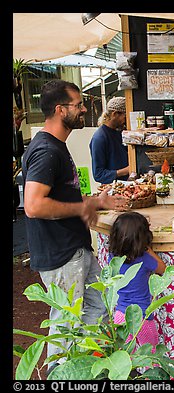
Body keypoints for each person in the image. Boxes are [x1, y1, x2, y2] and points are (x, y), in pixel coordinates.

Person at [21, 79, 129, 373]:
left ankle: (86, 370)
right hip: (61, 254)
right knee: (66, 325)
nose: (84, 109)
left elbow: (61, 192)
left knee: (100, 307)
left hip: (74, 250)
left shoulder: (54, 146)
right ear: (60, 110)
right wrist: (82, 208)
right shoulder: (47, 150)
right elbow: (34, 205)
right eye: (78, 105)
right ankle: (60, 374)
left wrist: (95, 201)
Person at [107, 211, 166, 348]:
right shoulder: (144, 258)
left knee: (127, 355)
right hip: (141, 316)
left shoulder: (113, 257)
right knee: (150, 355)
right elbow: (163, 269)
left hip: (120, 314)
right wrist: (148, 250)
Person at [89, 96, 130, 184]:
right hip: (113, 190)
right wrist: (127, 170)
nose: (127, 121)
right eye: (125, 117)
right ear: (115, 114)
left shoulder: (119, 132)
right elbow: (99, 175)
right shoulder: (99, 138)